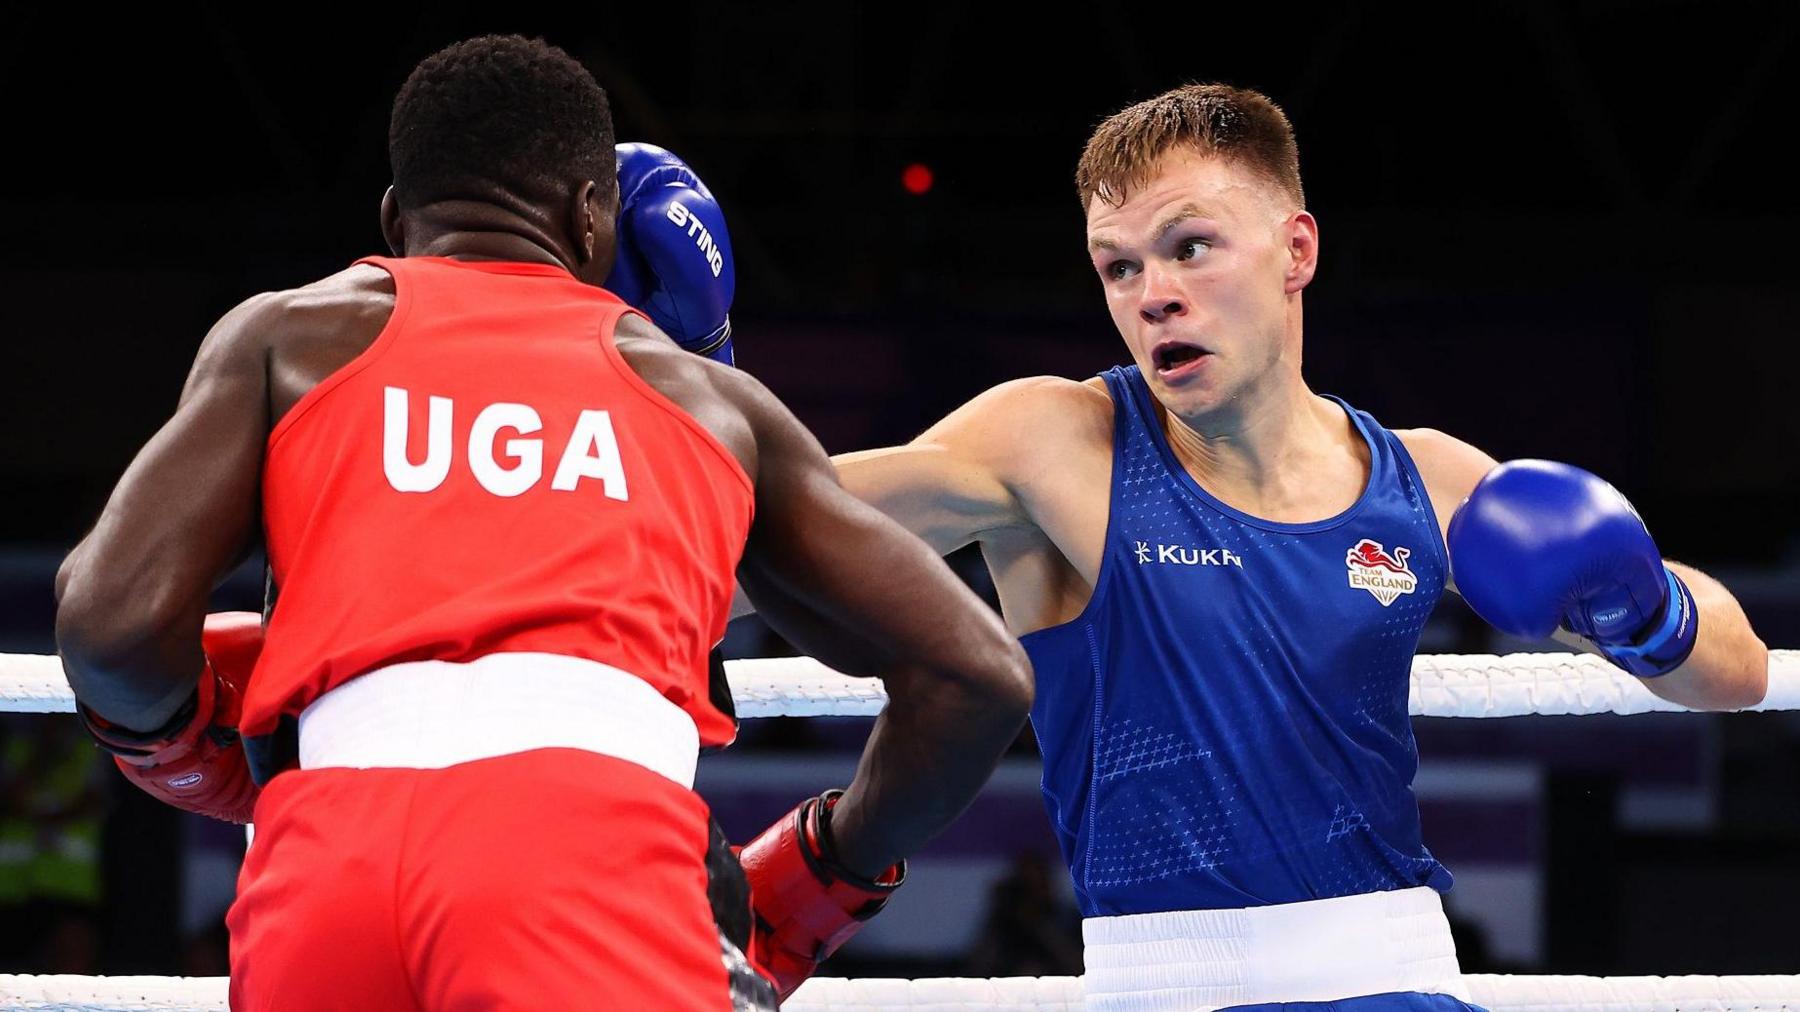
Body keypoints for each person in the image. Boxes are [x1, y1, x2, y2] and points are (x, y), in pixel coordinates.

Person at [54, 35, 1032, 1011]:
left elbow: (109, 620)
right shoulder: (707, 401)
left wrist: (183, 751)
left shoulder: (285, 336)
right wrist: (817, 876)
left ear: (397, 219)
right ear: (591, 216)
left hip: (324, 866)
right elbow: (975, 675)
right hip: (588, 864)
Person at [816, 83, 1769, 1010]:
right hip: (1169, 981)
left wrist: (1646, 607)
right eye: (1121, 267)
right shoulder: (1058, 445)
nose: (1156, 296)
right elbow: (770, 529)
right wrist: (681, 401)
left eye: (1191, 247)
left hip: (1403, 977)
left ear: (1295, 250)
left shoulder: (1423, 479)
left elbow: (1735, 672)